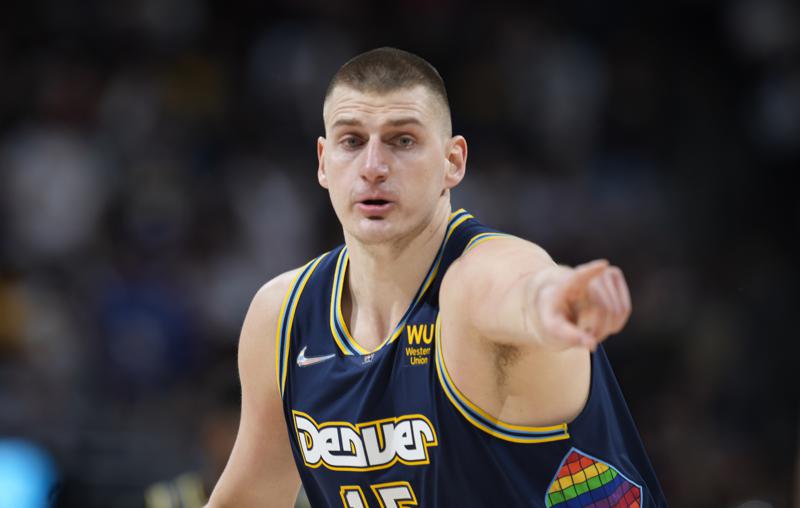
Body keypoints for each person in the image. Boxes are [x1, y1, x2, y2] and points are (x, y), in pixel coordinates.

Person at [206, 47, 667, 507]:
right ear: (323, 162)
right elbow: (250, 496)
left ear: (454, 161)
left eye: (402, 141)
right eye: (351, 141)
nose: (373, 167)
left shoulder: (474, 278)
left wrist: (552, 299)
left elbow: (515, 288)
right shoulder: (283, 317)